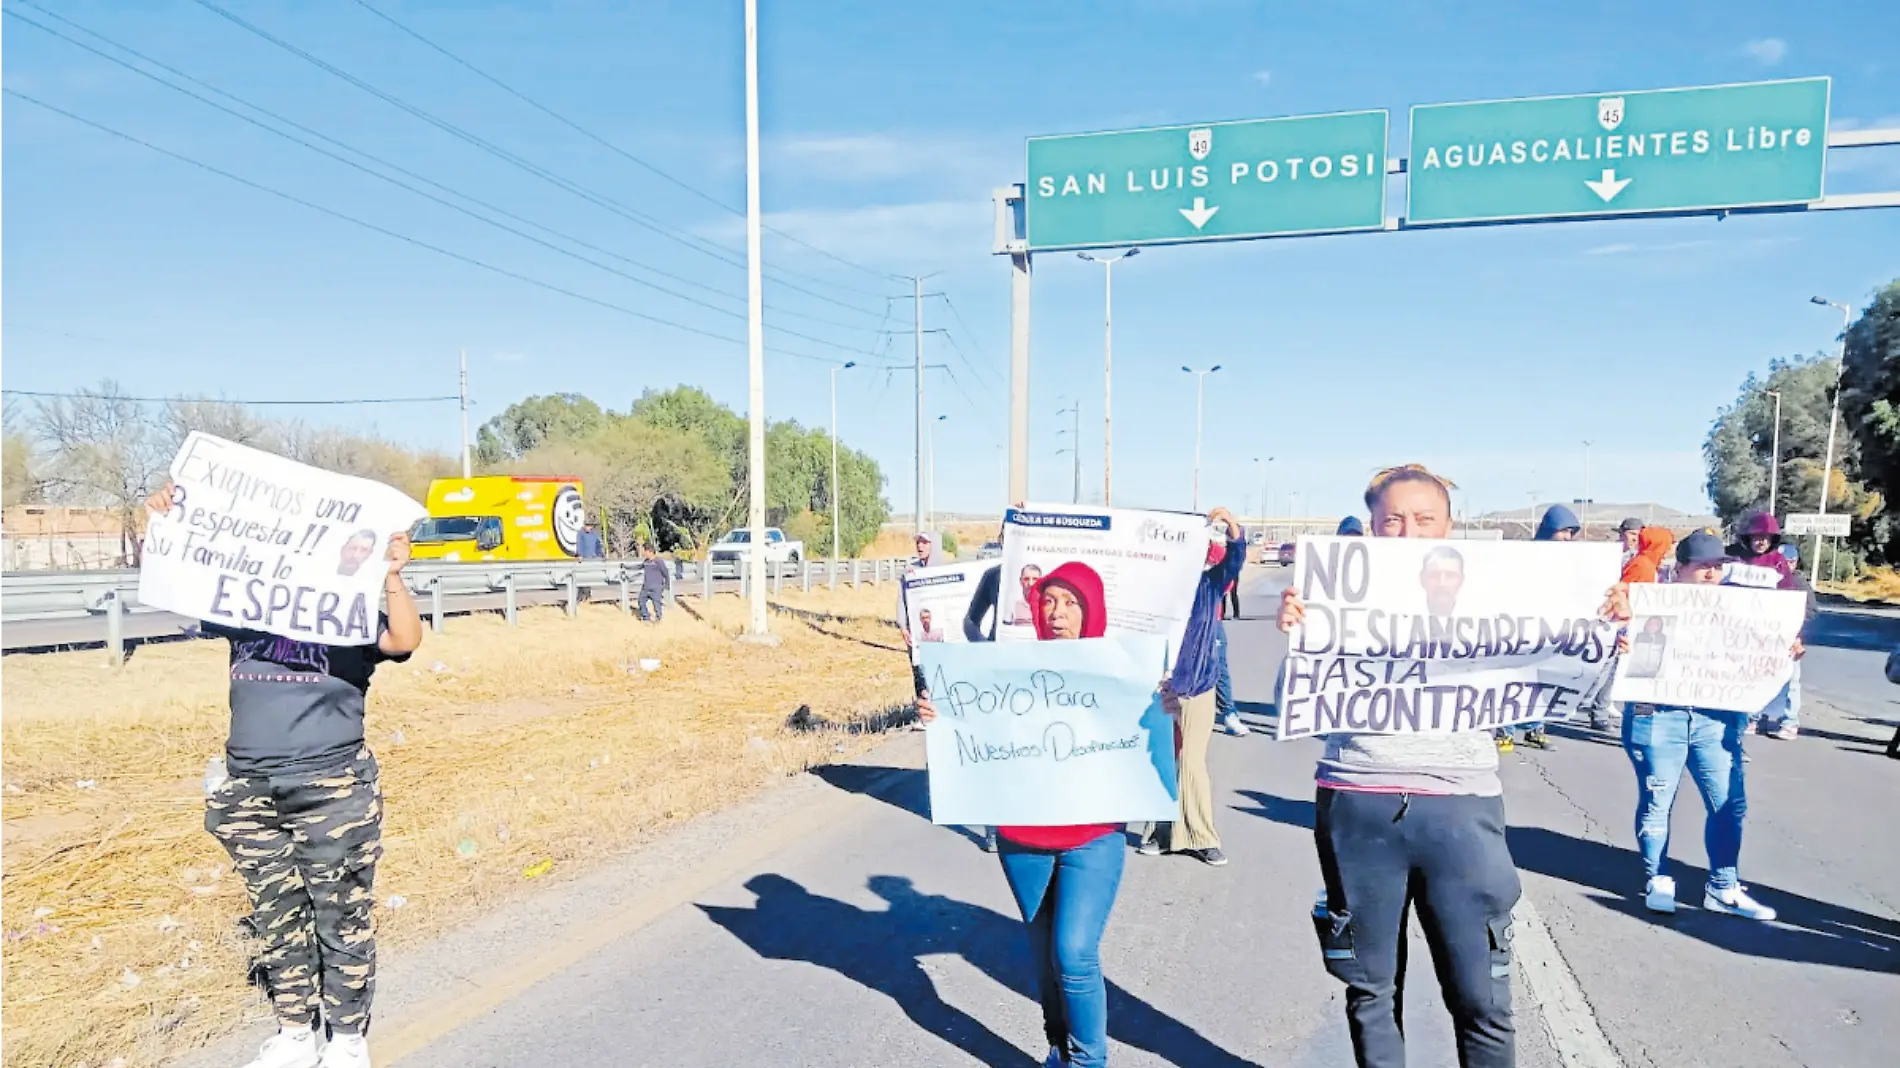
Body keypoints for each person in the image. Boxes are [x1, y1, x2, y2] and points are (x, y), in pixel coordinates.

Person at [1281, 464, 1582, 1068]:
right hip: (1357, 805)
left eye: (1424, 519)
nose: (1407, 532)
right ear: (1371, 528)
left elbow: (1574, 671)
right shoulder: (1332, 601)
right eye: (1392, 520)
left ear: (1449, 528)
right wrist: (1298, 635)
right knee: (1370, 991)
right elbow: (1298, 703)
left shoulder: (1495, 603)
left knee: (1481, 999)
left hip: (1460, 810)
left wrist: (1608, 625)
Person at [146, 483, 422, 1068]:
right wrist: (170, 526)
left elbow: (403, 639)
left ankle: (346, 1039)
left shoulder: (345, 613)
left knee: (340, 911)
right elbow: (178, 586)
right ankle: (295, 1032)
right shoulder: (248, 610)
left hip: (332, 788)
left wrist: (392, 576)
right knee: (276, 915)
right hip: (250, 790)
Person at [917, 560, 1126, 1068]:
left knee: (1074, 953)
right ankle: (1060, 1044)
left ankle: (1088, 1061)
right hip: (1023, 838)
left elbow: (1156, 751)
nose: (1057, 613)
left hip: (1093, 836)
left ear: (1091, 609)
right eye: (1049, 601)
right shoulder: (1007, 669)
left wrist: (1166, 712)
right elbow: (977, 732)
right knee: (1045, 958)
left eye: (1071, 603)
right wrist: (939, 716)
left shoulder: (1122, 670)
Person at [1620, 531, 1799, 919]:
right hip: (1658, 712)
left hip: (1715, 720)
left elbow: (1764, 649)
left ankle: (1723, 886)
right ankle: (1657, 877)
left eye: (1717, 566)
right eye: (1702, 566)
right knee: (1656, 801)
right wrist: (1623, 643)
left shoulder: (1741, 608)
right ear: (1679, 567)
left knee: (1729, 804)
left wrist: (1785, 649)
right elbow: (1624, 653)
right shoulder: (1651, 602)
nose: (1710, 573)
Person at [1136, 508, 1246, 867]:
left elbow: (1236, 558)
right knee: (1162, 760)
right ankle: (1159, 833)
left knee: (1192, 761)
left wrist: (1231, 526)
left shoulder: (1209, 584)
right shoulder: (1153, 587)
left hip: (1198, 685)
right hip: (1159, 687)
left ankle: (1202, 836)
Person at [1501, 504, 1584, 751]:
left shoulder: (1571, 561)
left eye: (1571, 533)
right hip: (1521, 625)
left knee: (1543, 680)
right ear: (1550, 528)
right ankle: (1505, 730)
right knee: (1513, 679)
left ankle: (1535, 729)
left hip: (1552, 627)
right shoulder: (1526, 554)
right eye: (1563, 531)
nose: (1567, 538)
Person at [1727, 513, 1809, 740]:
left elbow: (1788, 599)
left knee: (1780, 677)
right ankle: (1745, 718)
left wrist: (1795, 635)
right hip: (1737, 630)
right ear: (1748, 538)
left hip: (1769, 631)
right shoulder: (1735, 558)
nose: (1761, 542)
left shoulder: (1777, 562)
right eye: (1756, 537)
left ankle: (1781, 720)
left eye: (1766, 537)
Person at [638, 544, 670, 622]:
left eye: (645, 551)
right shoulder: (646, 561)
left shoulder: (658, 561)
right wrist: (626, 566)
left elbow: (666, 573)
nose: (643, 553)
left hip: (656, 587)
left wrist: (667, 585)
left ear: (650, 551)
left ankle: (658, 619)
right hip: (646, 587)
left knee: (656, 604)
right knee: (641, 601)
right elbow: (638, 567)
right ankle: (646, 618)